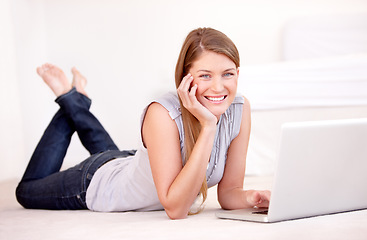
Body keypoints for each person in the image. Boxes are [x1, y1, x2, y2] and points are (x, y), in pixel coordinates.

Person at [16, 27, 270, 219]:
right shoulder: (161, 112)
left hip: (128, 162)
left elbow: (229, 193)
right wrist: (208, 126)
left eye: (228, 74)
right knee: (25, 192)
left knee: (111, 156)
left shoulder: (239, 109)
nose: (219, 87)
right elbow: (175, 208)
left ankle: (76, 99)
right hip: (96, 182)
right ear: (186, 78)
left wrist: (253, 197)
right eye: (205, 75)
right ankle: (71, 100)